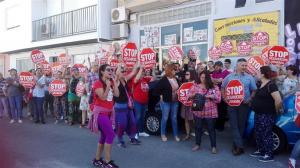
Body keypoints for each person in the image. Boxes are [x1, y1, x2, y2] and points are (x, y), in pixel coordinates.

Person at [221, 58, 257, 156]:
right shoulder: (229, 77)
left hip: (244, 105)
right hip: (231, 105)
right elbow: (223, 87)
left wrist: (249, 99)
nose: (245, 67)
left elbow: (254, 90)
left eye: (246, 65)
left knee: (241, 125)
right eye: (243, 65)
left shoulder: (250, 77)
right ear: (237, 66)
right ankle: (240, 145)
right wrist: (225, 98)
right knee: (233, 125)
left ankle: (236, 145)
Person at [250, 66, 282, 162]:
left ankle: (269, 154)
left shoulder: (271, 85)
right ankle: (261, 150)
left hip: (267, 114)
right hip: (258, 113)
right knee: (258, 133)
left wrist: (275, 111)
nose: (256, 74)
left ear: (263, 74)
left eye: (258, 72)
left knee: (266, 134)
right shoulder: (260, 83)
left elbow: (278, 100)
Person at [90, 64, 119, 168]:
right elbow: (102, 97)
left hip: (109, 113)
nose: (110, 71)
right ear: (102, 71)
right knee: (110, 135)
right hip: (100, 114)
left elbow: (117, 95)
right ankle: (107, 161)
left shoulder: (110, 82)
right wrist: (107, 86)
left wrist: (114, 82)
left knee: (104, 136)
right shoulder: (97, 83)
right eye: (108, 70)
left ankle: (97, 159)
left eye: (111, 70)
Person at [188, 71, 221, 153]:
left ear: (208, 78)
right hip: (198, 111)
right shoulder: (195, 86)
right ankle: (197, 144)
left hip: (210, 111)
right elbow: (188, 96)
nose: (203, 79)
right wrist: (193, 95)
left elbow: (219, 99)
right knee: (198, 128)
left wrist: (210, 96)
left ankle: (213, 146)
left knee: (211, 129)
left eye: (205, 77)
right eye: (202, 77)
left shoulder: (214, 87)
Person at [114, 64, 141, 148]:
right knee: (122, 124)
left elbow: (133, 72)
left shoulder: (125, 79)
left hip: (127, 106)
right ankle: (120, 140)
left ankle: (132, 138)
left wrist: (138, 66)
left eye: (124, 71)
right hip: (119, 107)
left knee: (132, 122)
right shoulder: (116, 81)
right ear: (118, 73)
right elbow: (117, 73)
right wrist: (119, 65)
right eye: (122, 71)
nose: (124, 72)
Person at [155, 63, 180, 142]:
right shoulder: (163, 79)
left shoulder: (176, 79)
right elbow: (156, 90)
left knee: (174, 118)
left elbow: (180, 88)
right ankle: (163, 134)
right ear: (169, 70)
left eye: (175, 70)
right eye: (173, 70)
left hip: (175, 101)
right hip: (166, 102)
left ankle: (175, 135)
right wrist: (161, 95)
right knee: (165, 118)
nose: (175, 71)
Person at [133, 66, 156, 138]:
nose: (142, 74)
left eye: (143, 73)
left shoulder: (145, 79)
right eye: (141, 73)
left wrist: (154, 70)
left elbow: (154, 78)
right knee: (138, 117)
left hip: (144, 102)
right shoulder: (135, 80)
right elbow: (136, 78)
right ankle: (135, 132)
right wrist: (141, 68)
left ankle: (141, 131)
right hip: (137, 101)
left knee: (142, 117)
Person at [211, 61, 231, 131]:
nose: (217, 68)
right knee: (215, 110)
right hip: (214, 94)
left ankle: (221, 126)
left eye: (218, 66)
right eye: (215, 66)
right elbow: (211, 81)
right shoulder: (213, 72)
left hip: (223, 94)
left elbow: (220, 81)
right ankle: (216, 125)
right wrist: (216, 80)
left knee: (222, 111)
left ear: (221, 66)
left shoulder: (225, 72)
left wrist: (214, 80)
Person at [181, 70, 197, 141]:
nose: (186, 75)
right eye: (186, 74)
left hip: (193, 104)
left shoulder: (196, 84)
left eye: (187, 74)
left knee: (193, 119)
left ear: (192, 75)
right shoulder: (184, 83)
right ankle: (188, 134)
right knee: (186, 119)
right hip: (185, 103)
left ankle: (195, 132)